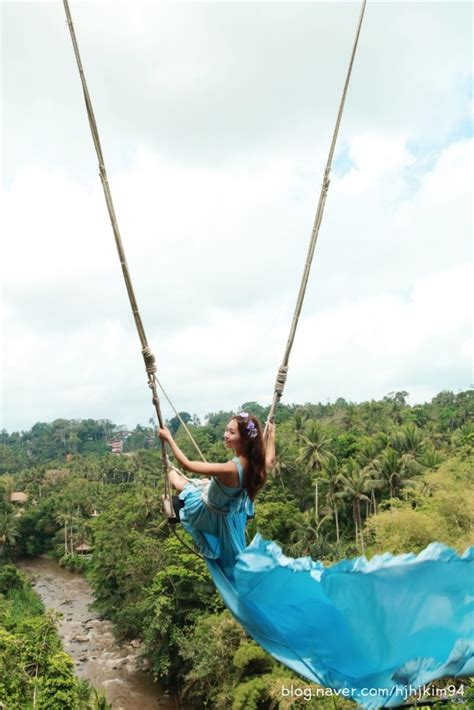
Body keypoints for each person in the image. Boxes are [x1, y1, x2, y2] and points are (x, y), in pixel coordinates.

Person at [158, 412, 276, 574]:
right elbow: (270, 461)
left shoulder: (231, 469)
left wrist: (169, 438)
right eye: (227, 430)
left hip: (208, 512)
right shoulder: (256, 464)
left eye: (232, 433)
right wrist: (272, 436)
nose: (226, 435)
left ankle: (166, 465)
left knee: (180, 484)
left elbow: (187, 465)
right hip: (227, 508)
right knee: (200, 483)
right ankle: (167, 465)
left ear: (245, 439)